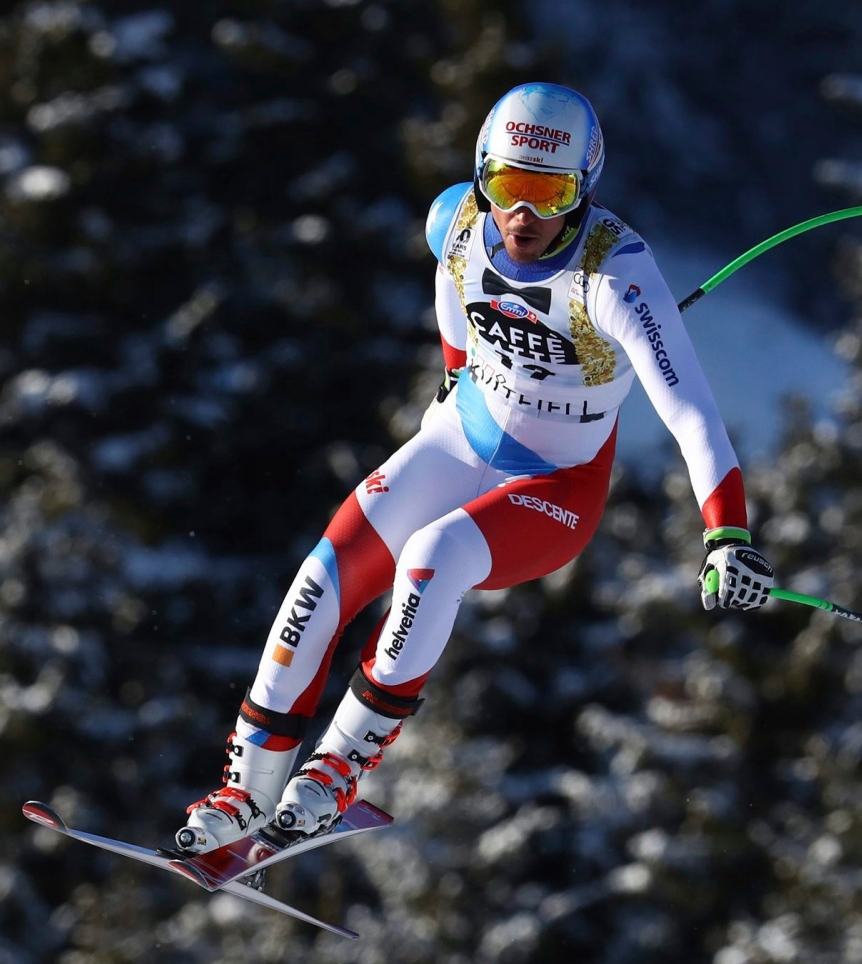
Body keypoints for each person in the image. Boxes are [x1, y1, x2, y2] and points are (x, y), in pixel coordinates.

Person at [176, 82, 776, 853]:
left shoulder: (617, 277)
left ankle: (333, 773)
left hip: (556, 486)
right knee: (323, 577)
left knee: (432, 560)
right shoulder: (457, 222)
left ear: (584, 190)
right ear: (481, 174)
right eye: (507, 186)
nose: (524, 214)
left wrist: (726, 535)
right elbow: (455, 294)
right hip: (458, 441)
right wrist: (457, 372)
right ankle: (245, 792)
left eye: (549, 193)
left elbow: (691, 410)